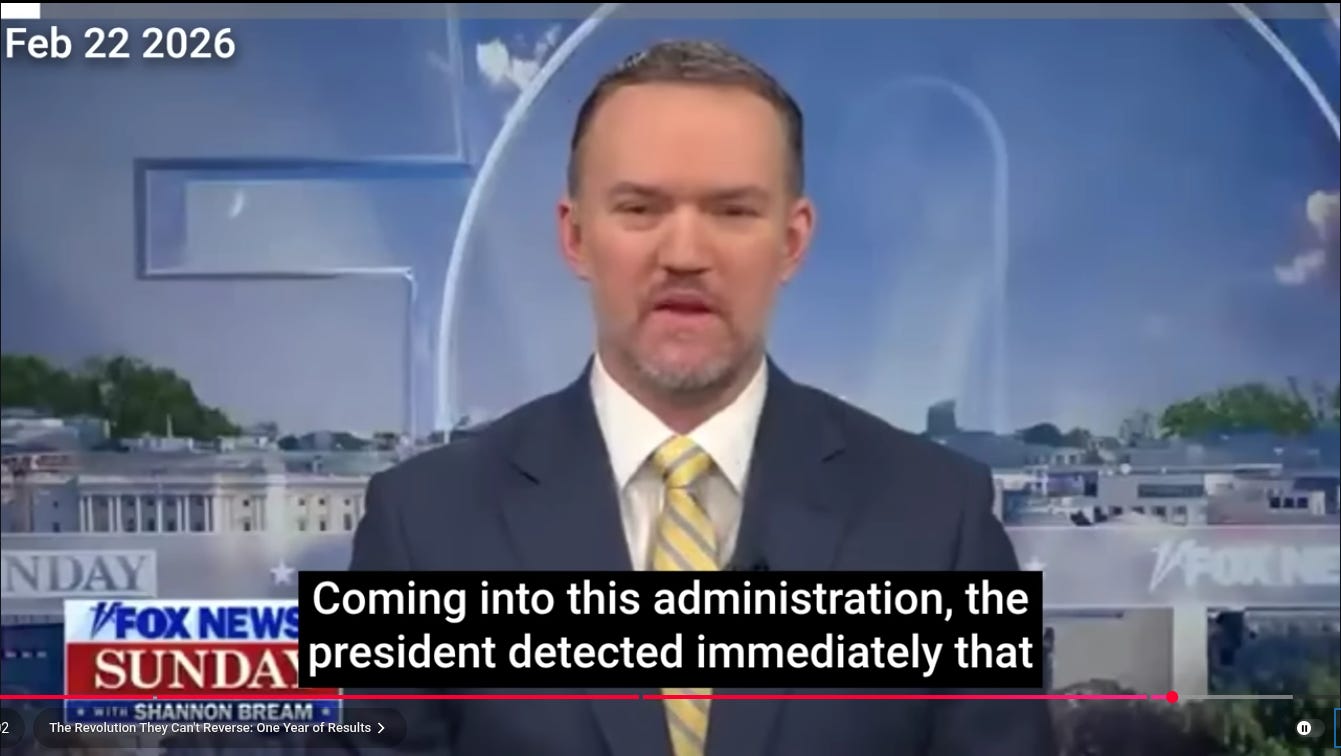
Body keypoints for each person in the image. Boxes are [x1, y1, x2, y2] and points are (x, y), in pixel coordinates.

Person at [345, 39, 1056, 756]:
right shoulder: (419, 525)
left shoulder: (940, 521)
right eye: (639, 208)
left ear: (792, 241)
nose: (684, 255)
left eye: (732, 211)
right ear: (575, 236)